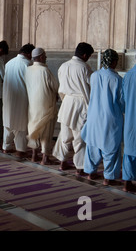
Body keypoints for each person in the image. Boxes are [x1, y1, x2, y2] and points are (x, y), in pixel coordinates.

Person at [82, 49, 124, 186]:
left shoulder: (94, 75)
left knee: (93, 145)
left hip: (94, 115)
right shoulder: (117, 79)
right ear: (114, 62)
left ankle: (90, 172)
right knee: (111, 148)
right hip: (110, 118)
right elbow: (122, 101)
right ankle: (108, 177)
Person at [53, 43, 94, 175]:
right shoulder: (85, 68)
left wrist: (65, 100)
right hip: (81, 104)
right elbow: (92, 88)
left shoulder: (63, 66)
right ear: (85, 55)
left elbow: (61, 88)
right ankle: (80, 167)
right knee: (79, 137)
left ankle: (62, 162)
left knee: (65, 135)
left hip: (67, 103)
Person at [25, 48, 59, 165]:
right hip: (46, 105)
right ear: (40, 57)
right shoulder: (45, 71)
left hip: (33, 105)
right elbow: (55, 86)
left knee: (34, 128)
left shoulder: (28, 70)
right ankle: (45, 157)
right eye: (44, 56)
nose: (46, 58)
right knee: (46, 131)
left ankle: (34, 155)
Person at [2, 44, 35, 158]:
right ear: (29, 54)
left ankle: (6, 147)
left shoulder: (9, 63)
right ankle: (20, 150)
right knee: (20, 127)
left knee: (8, 124)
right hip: (21, 99)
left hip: (8, 98)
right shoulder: (28, 65)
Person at [122, 56, 136, 192]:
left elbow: (123, 99)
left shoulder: (128, 75)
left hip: (131, 118)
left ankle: (127, 182)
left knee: (130, 150)